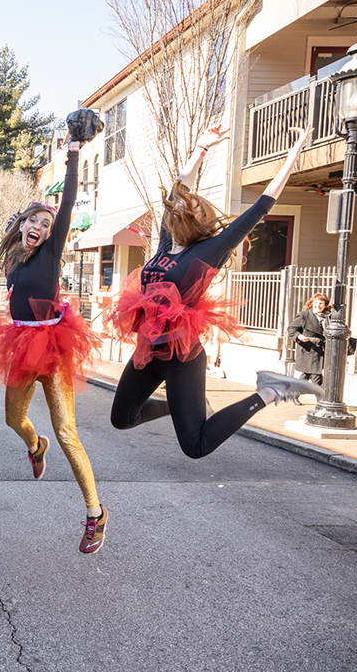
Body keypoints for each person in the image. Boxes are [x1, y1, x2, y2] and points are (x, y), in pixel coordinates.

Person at [108, 125, 325, 459]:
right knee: (121, 419)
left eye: (186, 207)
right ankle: (177, 407)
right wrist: (201, 148)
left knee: (196, 445)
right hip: (148, 351)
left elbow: (261, 208)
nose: (178, 207)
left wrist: (293, 155)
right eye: (178, 205)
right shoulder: (166, 246)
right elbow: (179, 188)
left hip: (182, 357)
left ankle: (269, 391)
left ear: (196, 218)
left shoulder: (209, 251)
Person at [0, 116, 106, 554]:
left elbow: (67, 202)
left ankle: (95, 512)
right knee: (12, 420)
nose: (38, 227)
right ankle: (36, 446)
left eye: (45, 224)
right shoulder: (14, 257)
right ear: (21, 226)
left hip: (52, 348)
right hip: (19, 345)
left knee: (69, 432)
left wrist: (73, 153)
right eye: (32, 221)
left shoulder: (51, 253)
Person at [287, 292, 331, 404]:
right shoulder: (305, 315)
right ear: (311, 304)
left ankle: (294, 394)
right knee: (316, 376)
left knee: (306, 376)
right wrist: (299, 336)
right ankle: (321, 401)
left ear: (325, 305)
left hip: (320, 350)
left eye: (321, 303)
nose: (318, 306)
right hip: (308, 349)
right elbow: (292, 329)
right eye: (316, 303)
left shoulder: (328, 317)